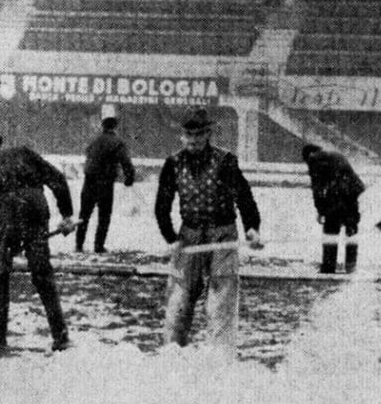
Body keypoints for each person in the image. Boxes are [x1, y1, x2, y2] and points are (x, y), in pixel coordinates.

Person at [154, 108, 262, 350]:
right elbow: (162, 205)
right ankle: (172, 352)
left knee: (220, 298)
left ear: (208, 135)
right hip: (189, 236)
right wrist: (171, 237)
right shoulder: (173, 163)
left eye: (199, 135)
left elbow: (244, 197)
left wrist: (252, 229)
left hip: (222, 233)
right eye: (189, 135)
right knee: (179, 297)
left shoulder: (225, 161)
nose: (194, 140)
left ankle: (219, 356)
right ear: (182, 136)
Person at [0, 133, 75, 353]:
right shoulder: (23, 153)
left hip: (7, 218)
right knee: (43, 274)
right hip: (36, 212)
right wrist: (67, 215)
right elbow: (57, 179)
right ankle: (61, 337)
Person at [75, 110, 135, 253]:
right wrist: (129, 178)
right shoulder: (117, 142)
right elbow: (126, 162)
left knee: (84, 215)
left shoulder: (94, 141)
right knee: (104, 216)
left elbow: (88, 155)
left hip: (89, 181)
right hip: (105, 183)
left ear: (102, 126)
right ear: (115, 127)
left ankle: (79, 244)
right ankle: (98, 245)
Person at [301, 144, 366, 274]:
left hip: (337, 197)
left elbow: (317, 188)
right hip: (352, 195)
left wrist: (320, 211)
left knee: (330, 230)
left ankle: (329, 267)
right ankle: (351, 267)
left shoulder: (314, 159)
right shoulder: (336, 154)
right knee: (351, 231)